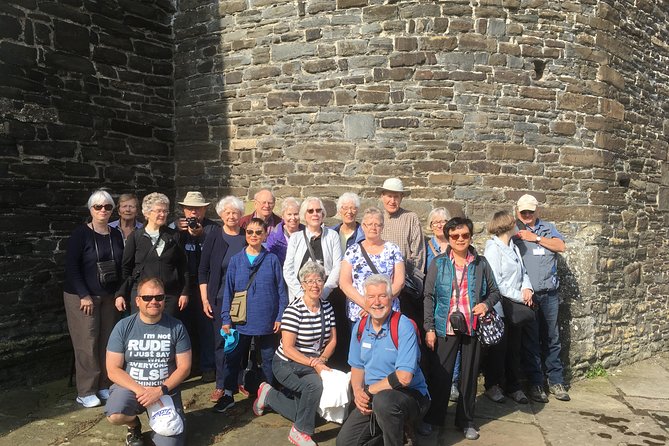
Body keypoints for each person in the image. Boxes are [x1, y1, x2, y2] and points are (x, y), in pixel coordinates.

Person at [423, 217, 501, 440]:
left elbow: (495, 291)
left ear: (470, 237)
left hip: (472, 327)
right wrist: (429, 327)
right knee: (441, 375)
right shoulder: (438, 263)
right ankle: (433, 418)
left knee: (469, 376)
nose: (460, 239)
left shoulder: (481, 263)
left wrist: (485, 304)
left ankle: (466, 420)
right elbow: (429, 296)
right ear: (448, 238)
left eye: (464, 235)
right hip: (444, 326)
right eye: (455, 236)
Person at [336, 274, 430, 446]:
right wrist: (358, 392)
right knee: (345, 443)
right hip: (375, 396)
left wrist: (369, 391)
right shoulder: (360, 326)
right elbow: (357, 366)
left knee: (384, 401)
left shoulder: (403, 325)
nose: (376, 302)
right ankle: (400, 433)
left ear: (391, 298)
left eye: (382, 296)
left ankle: (400, 434)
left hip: (409, 397)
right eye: (371, 297)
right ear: (365, 300)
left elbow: (404, 377)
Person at [252, 262, 336, 446]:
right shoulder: (293, 310)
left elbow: (333, 340)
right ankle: (299, 432)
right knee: (314, 387)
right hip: (286, 363)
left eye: (319, 280)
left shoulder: (327, 307)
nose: (315, 285)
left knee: (309, 412)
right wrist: (315, 364)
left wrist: (322, 359)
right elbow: (289, 348)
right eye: (309, 281)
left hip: (311, 363)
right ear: (302, 285)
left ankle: (269, 395)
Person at [105, 277, 191, 446]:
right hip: (132, 389)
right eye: (147, 298)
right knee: (115, 413)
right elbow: (112, 369)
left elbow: (185, 367)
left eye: (159, 297)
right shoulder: (123, 327)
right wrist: (142, 391)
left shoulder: (177, 327)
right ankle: (134, 426)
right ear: (138, 301)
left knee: (170, 444)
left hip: (164, 392)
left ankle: (169, 425)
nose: (154, 301)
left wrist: (160, 390)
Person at [216, 218, 288, 413]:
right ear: (245, 234)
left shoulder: (272, 259)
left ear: (265, 235)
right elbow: (228, 291)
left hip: (267, 319)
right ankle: (229, 394)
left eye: (258, 232)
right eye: (250, 232)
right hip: (241, 320)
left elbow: (281, 290)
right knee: (233, 358)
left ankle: (268, 395)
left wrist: (280, 316)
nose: (254, 236)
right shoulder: (236, 260)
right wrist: (226, 319)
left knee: (268, 359)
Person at [64, 189, 124, 408]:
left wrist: (118, 293)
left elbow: (120, 266)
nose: (103, 210)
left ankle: (104, 384)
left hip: (108, 296)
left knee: (107, 341)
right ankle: (86, 389)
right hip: (83, 297)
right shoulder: (81, 234)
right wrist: (83, 295)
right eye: (98, 206)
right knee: (86, 342)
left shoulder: (115, 234)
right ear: (90, 209)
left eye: (107, 207)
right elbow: (71, 267)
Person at [513, 194, 570, 402]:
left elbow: (560, 246)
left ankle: (556, 381)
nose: (527, 215)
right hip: (529, 295)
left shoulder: (548, 228)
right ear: (517, 212)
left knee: (552, 338)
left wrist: (536, 238)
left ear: (537, 211)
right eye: (523, 212)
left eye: (531, 211)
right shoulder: (515, 231)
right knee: (531, 340)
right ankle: (536, 384)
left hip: (550, 293)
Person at [198, 196, 247, 403]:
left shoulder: (247, 236)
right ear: (221, 215)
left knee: (242, 340)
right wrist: (205, 299)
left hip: (244, 299)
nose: (231, 216)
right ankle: (221, 384)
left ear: (240, 215)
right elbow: (203, 270)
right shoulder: (214, 236)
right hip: (219, 298)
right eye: (227, 212)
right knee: (221, 342)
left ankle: (239, 380)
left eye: (235, 212)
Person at [482, 210, 534, 404]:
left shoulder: (513, 246)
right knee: (498, 349)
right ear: (507, 225)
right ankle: (492, 385)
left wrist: (527, 287)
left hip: (515, 307)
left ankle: (513, 386)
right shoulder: (493, 249)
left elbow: (523, 271)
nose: (517, 224)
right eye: (514, 222)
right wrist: (521, 296)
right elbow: (496, 282)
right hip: (501, 307)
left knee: (514, 348)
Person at [170, 191, 218, 383]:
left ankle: (207, 367)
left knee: (206, 326)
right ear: (183, 210)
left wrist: (201, 235)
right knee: (183, 328)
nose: (193, 213)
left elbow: (215, 251)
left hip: (204, 285)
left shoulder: (213, 229)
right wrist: (176, 231)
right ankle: (185, 368)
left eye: (197, 209)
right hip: (181, 285)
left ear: (204, 209)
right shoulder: (175, 229)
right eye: (190, 209)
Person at [116, 192, 188, 317]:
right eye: (159, 211)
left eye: (165, 211)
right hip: (143, 296)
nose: (163, 214)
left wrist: (184, 292)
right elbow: (126, 268)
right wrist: (120, 294)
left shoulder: (174, 236)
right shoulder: (136, 237)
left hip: (168, 295)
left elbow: (183, 267)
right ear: (147, 213)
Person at [339, 207, 405, 323]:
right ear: (363, 226)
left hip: (388, 312)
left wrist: (379, 305)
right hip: (360, 313)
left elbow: (399, 282)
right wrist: (367, 305)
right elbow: (344, 283)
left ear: (382, 227)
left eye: (377, 225)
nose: (373, 228)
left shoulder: (393, 249)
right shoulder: (352, 251)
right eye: (369, 224)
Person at [377, 178, 426, 326]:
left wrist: (409, 280)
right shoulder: (376, 218)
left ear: (401, 198)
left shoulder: (410, 218)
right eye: (389, 196)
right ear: (382, 196)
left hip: (405, 287)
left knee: (404, 327)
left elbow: (418, 253)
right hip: (380, 286)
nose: (392, 200)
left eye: (396, 196)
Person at [425, 206, 461, 402]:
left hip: (455, 301)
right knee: (434, 341)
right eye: (434, 222)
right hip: (434, 300)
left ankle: (453, 381)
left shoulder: (457, 244)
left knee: (454, 341)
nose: (439, 225)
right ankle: (436, 379)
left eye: (442, 221)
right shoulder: (426, 246)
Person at [327, 192, 365, 370]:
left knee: (352, 330)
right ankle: (336, 366)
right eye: (345, 208)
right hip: (334, 289)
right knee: (335, 327)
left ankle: (352, 369)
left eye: (353, 208)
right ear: (339, 210)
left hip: (355, 289)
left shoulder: (363, 234)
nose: (349, 211)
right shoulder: (330, 233)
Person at [283, 197, 342, 303]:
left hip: (326, 297)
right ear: (304, 215)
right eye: (310, 211)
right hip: (301, 298)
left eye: (318, 210)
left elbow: (337, 266)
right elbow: (288, 270)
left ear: (322, 214)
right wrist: (302, 295)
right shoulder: (296, 238)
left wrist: (323, 293)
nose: (315, 214)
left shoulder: (332, 236)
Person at [266, 197, 303, 265]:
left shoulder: (307, 233)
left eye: (296, 214)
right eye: (289, 214)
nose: (293, 218)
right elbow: (270, 261)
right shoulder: (274, 236)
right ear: (283, 216)